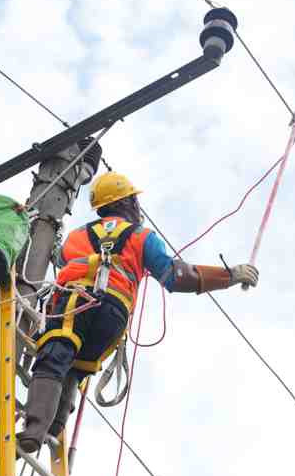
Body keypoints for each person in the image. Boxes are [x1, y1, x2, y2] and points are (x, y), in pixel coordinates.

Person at [15, 172, 259, 454]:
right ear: (126, 202)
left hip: (75, 301)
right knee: (76, 370)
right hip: (114, 316)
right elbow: (177, 276)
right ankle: (51, 429)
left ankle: (34, 429)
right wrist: (230, 276)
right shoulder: (142, 238)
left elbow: (59, 259)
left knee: (55, 356)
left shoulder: (77, 237)